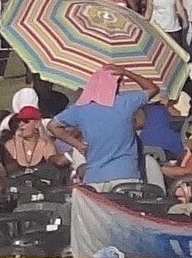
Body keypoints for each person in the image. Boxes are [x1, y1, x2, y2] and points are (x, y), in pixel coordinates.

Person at [51, 64, 156, 195]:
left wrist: (77, 144)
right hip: (125, 175)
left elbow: (52, 126)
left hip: (94, 178)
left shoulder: (81, 108)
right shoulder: (126, 102)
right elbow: (152, 88)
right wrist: (126, 72)